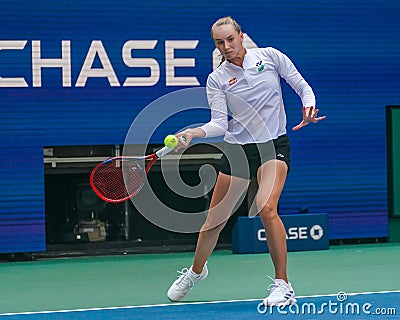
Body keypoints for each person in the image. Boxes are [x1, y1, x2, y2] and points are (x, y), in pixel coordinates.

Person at [167, 16, 326, 306]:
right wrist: (194, 132)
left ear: (241, 36)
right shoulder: (217, 79)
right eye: (219, 42)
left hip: (273, 145)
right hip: (238, 150)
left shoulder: (270, 57)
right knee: (214, 221)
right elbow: (219, 124)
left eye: (230, 39)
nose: (226, 46)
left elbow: (302, 86)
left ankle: (283, 285)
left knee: (267, 208)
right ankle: (195, 272)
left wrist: (308, 106)